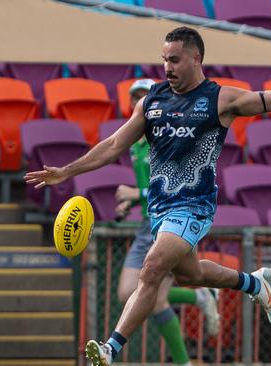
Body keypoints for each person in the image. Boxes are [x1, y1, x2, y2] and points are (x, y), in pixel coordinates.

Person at [24, 26, 271, 366]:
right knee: (190, 276)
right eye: (164, 59)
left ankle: (110, 348)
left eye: (175, 60)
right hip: (160, 210)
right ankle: (255, 282)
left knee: (151, 269)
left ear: (196, 59)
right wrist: (67, 171)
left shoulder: (221, 99)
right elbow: (115, 144)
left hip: (194, 206)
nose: (167, 67)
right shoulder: (152, 102)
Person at [113, 78, 219, 366]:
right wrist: (132, 201)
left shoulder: (168, 137)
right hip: (147, 222)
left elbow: (174, 184)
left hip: (169, 222)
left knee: (156, 300)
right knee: (127, 293)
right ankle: (200, 297)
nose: (139, 102)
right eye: (134, 97)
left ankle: (183, 362)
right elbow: (152, 185)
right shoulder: (137, 142)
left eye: (143, 96)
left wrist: (138, 193)